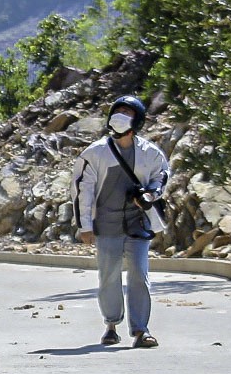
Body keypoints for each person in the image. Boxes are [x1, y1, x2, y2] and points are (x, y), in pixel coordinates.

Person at [72, 95, 170, 348]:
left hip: (138, 223)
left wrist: (150, 195)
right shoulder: (93, 154)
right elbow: (83, 191)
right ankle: (111, 324)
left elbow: (162, 176)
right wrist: (85, 226)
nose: (121, 116)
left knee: (139, 274)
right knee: (109, 276)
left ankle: (141, 330)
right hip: (107, 224)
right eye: (118, 111)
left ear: (136, 120)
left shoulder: (150, 153)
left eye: (127, 112)